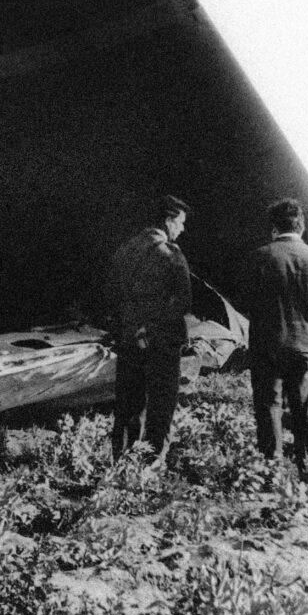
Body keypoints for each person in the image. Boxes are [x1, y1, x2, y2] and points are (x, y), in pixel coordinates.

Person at [237, 198, 308, 475]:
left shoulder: (258, 257)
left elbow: (243, 302)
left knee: (269, 406)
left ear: (273, 228)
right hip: (307, 347)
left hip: (267, 345)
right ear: (302, 227)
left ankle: (272, 471)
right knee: (306, 410)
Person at [105, 195, 192, 462]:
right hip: (161, 342)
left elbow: (110, 296)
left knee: (128, 402)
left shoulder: (124, 251)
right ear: (168, 220)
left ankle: (121, 458)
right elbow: (183, 301)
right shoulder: (171, 254)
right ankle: (152, 462)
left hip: (129, 338)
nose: (182, 229)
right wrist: (153, 328)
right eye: (180, 222)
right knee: (161, 404)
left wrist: (132, 327)